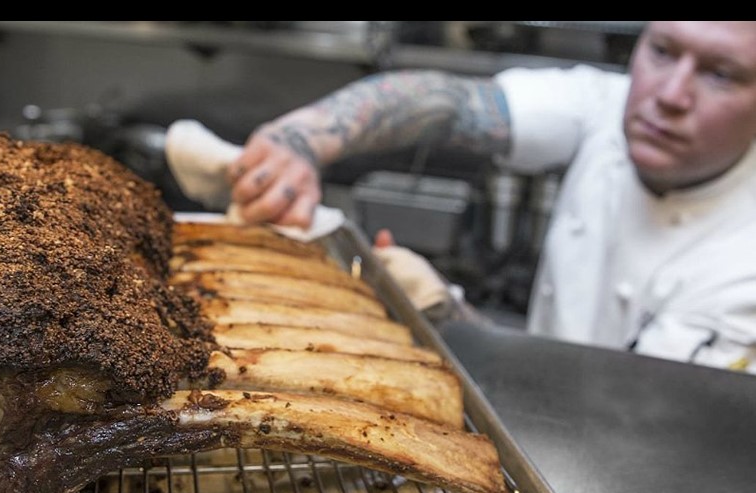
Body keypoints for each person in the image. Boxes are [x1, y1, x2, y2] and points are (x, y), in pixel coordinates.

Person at [226, 21, 756, 374]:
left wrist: (451, 319)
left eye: (721, 74)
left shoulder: (743, 266)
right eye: (662, 52)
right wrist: (297, 139)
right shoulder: (607, 104)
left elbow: (622, 409)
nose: (669, 96)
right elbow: (449, 102)